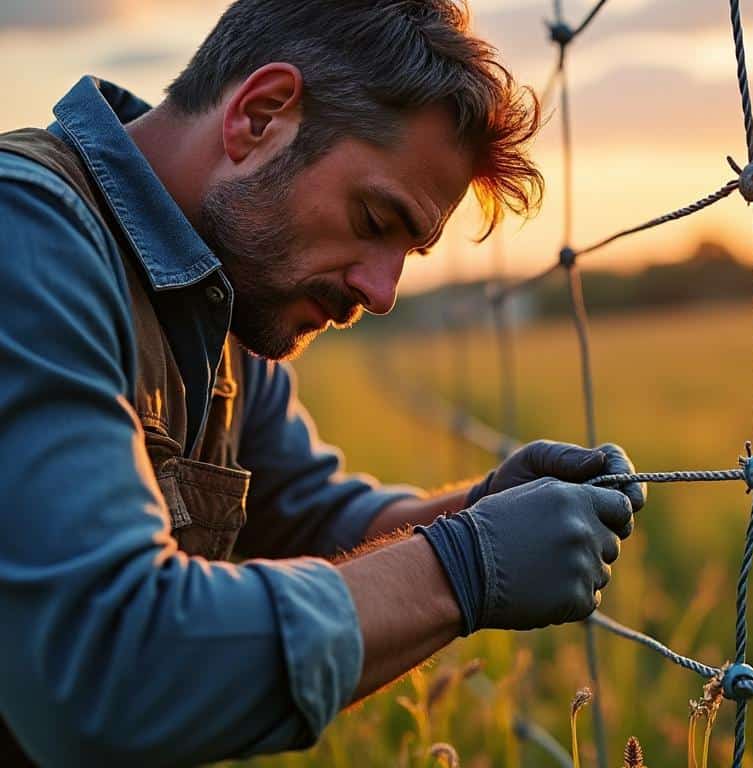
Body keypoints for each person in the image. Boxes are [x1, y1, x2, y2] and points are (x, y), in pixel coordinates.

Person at [0, 1, 646, 765]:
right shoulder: (28, 237)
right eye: (375, 220)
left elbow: (304, 519)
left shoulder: (214, 296)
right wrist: (464, 567)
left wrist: (477, 509)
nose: (382, 293)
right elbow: (103, 673)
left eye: (411, 251)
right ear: (260, 116)